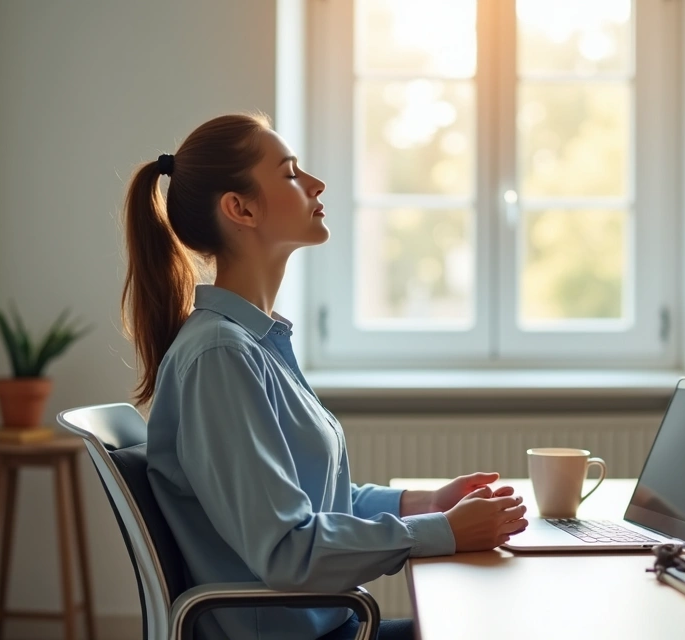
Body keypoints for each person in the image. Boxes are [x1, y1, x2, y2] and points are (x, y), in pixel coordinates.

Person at [120, 113, 528, 640]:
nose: (316, 184)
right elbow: (288, 550)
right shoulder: (220, 356)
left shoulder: (254, 345)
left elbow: (310, 504)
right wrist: (442, 532)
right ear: (240, 208)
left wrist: (426, 504)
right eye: (290, 173)